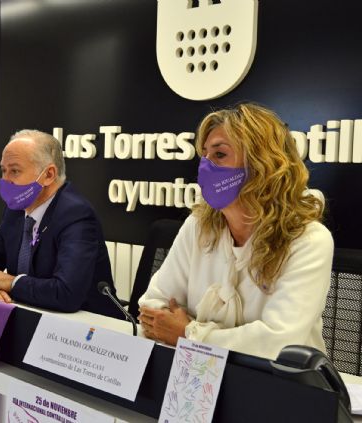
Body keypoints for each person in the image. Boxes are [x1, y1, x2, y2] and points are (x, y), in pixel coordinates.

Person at [138, 103, 333, 360]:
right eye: (204, 155)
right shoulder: (199, 226)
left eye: (219, 155)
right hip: (198, 379)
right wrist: (223, 341)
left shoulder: (308, 240)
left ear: (262, 164)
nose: (205, 167)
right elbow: (152, 308)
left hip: (283, 387)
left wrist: (190, 333)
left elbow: (277, 344)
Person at [0, 129, 123, 318]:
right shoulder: (15, 211)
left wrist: (10, 282)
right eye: (3, 171)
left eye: (14, 171)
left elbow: (66, 293)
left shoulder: (76, 214)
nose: (5, 181)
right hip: (31, 314)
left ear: (48, 175)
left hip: (88, 331)